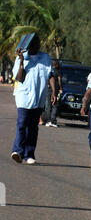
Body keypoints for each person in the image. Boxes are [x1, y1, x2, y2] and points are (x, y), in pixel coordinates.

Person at [11, 34, 55, 165]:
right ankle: (18, 151)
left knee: (33, 127)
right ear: (27, 46)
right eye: (31, 44)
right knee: (22, 123)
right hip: (24, 97)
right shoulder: (21, 58)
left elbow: (50, 75)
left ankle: (29, 154)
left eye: (36, 44)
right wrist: (21, 62)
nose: (34, 46)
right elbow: (20, 78)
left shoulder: (45, 58)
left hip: (39, 98)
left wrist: (53, 91)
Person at [45, 59, 63, 127]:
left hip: (48, 89)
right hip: (56, 90)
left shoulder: (50, 70)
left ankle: (48, 121)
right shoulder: (59, 71)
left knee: (48, 105)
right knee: (55, 105)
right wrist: (61, 88)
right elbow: (59, 80)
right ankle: (53, 121)